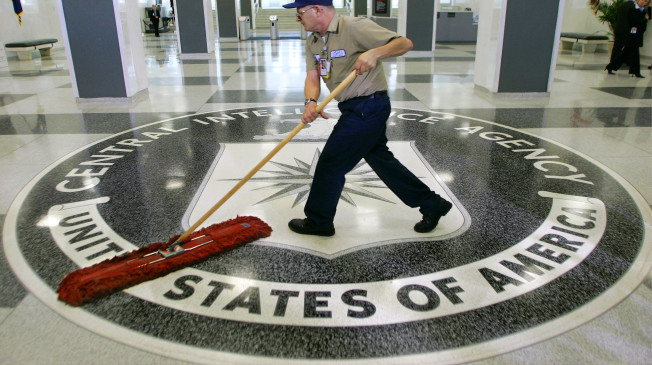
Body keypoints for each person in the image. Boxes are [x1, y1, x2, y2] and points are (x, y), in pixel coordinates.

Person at [283, 0, 452, 237]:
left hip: (369, 106)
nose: (298, 19)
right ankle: (432, 203)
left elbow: (404, 43)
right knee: (382, 160)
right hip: (352, 107)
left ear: (317, 10)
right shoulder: (313, 42)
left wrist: (375, 52)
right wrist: (310, 101)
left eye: (300, 14)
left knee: (331, 163)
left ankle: (318, 220)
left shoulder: (354, 27)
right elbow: (312, 78)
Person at [605, 0, 650, 78]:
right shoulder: (632, 7)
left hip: (625, 32)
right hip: (627, 33)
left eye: (647, 1)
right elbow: (635, 21)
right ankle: (612, 67)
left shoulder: (629, 5)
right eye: (644, 0)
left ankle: (611, 67)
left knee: (627, 51)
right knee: (627, 51)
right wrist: (645, 18)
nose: (645, 2)